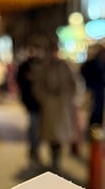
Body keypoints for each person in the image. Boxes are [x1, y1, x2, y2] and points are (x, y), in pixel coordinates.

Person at [32, 41, 78, 173]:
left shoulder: (64, 66)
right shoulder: (45, 67)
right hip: (50, 106)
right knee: (51, 135)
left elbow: (73, 84)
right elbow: (38, 86)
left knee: (60, 135)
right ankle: (52, 159)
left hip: (62, 106)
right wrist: (44, 99)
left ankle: (57, 160)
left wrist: (67, 97)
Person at [16, 44, 43, 165]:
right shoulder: (24, 66)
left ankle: (36, 148)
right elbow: (19, 81)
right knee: (33, 125)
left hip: (43, 102)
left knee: (40, 127)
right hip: (31, 102)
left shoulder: (42, 64)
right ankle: (34, 149)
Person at [80, 45, 105, 130]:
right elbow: (84, 71)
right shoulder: (92, 63)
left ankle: (99, 125)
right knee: (93, 107)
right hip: (93, 88)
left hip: (101, 89)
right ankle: (92, 125)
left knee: (101, 107)